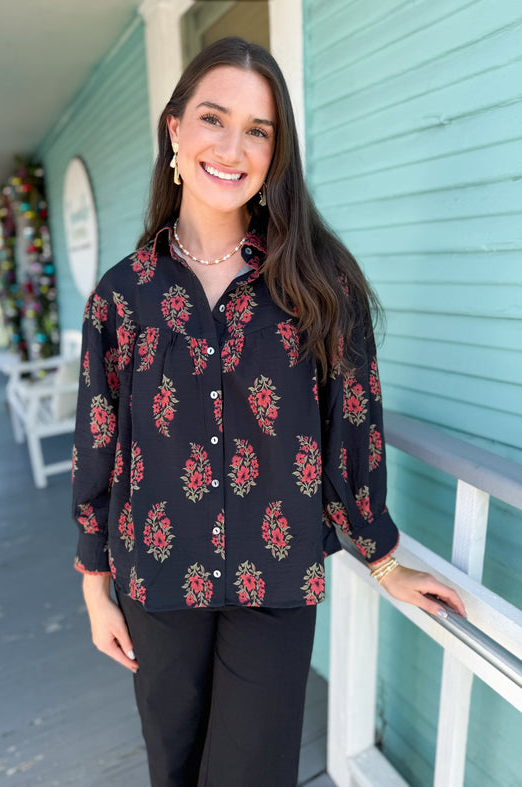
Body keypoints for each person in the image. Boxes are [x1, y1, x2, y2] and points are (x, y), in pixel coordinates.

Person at [71, 36, 465, 787]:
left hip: (275, 584)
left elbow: (353, 428)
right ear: (174, 130)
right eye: (215, 119)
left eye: (259, 129)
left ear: (277, 152)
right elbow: (99, 448)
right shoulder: (123, 297)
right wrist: (96, 587)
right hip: (155, 582)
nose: (234, 146)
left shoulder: (321, 282)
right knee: (174, 768)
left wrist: (383, 558)